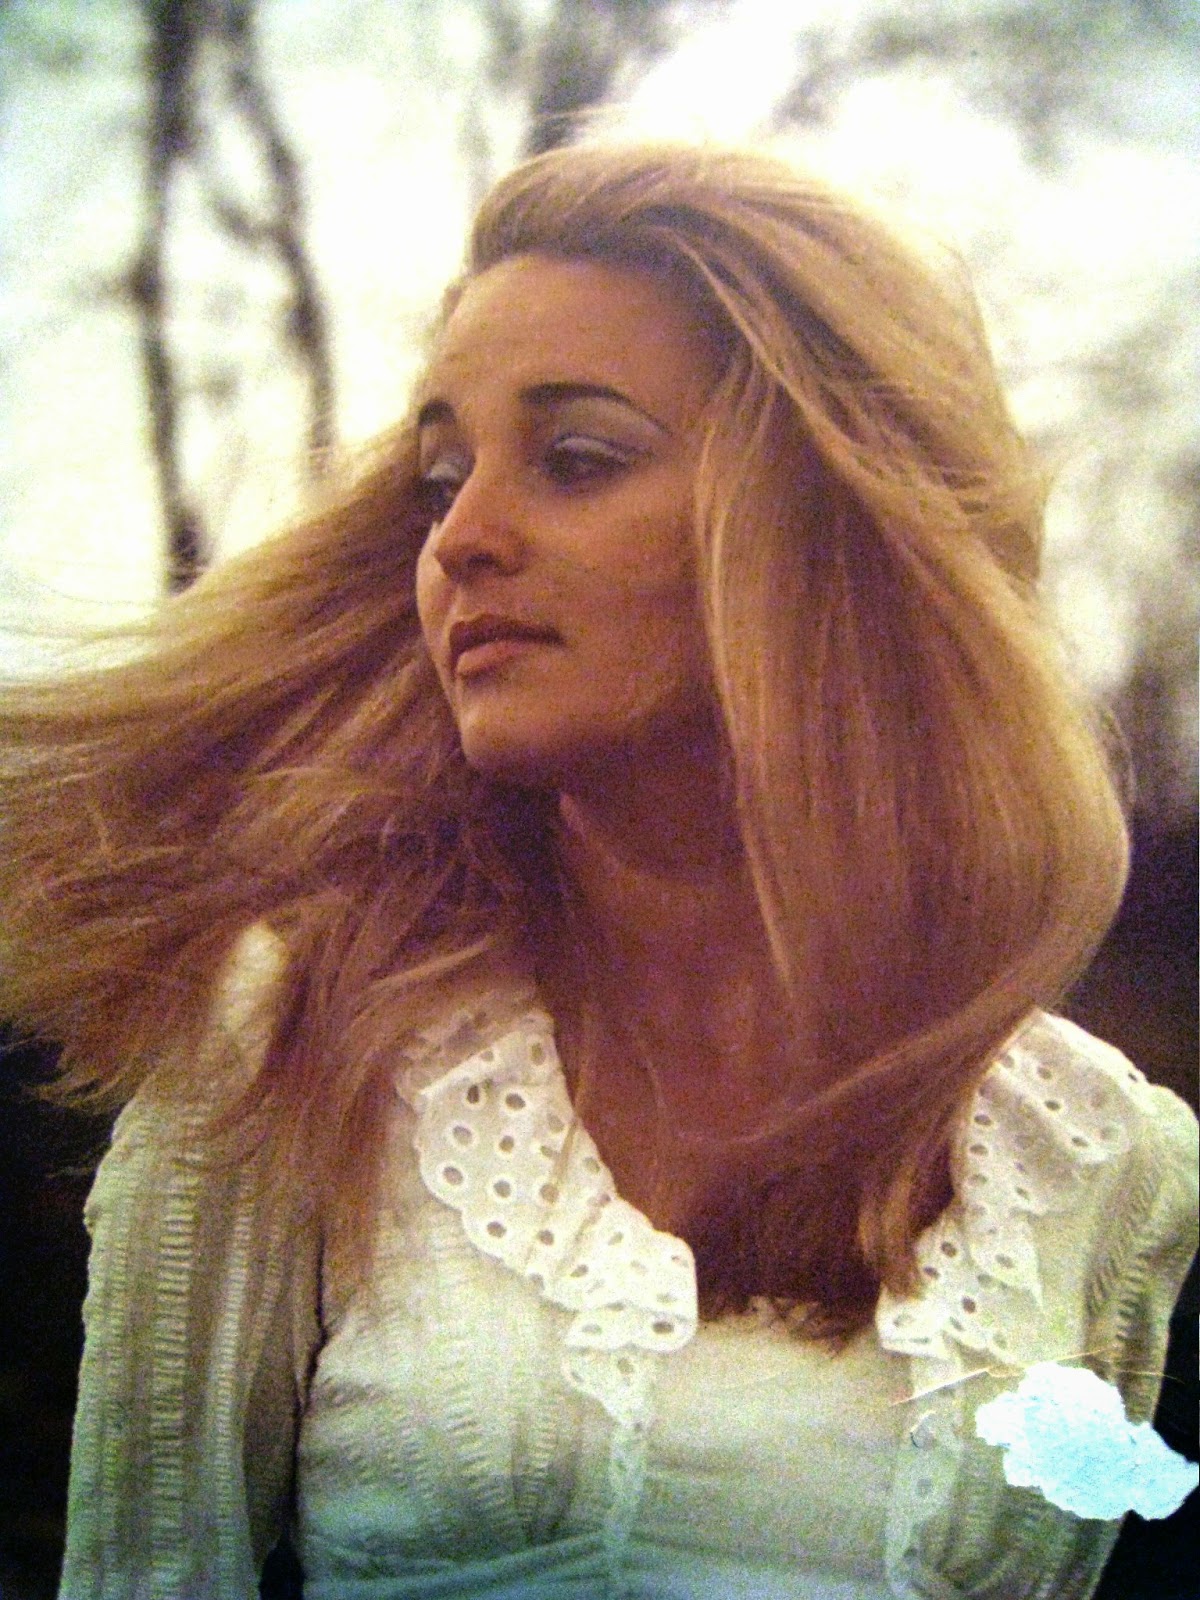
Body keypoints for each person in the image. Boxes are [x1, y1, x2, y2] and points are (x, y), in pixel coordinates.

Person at [0, 141, 1195, 1600]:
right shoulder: (293, 1043)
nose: (459, 543)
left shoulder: (1102, 1160)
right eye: (442, 480)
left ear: (828, 522)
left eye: (576, 459)